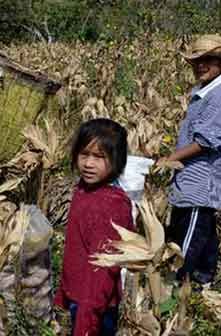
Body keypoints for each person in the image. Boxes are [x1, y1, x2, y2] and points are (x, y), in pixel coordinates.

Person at [157, 34, 221, 285]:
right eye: (197, 60)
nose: (200, 65)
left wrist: (168, 159)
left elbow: (205, 141)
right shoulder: (205, 93)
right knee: (203, 231)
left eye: (208, 60)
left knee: (188, 233)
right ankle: (204, 279)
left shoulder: (218, 98)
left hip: (201, 183)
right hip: (193, 179)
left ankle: (175, 283)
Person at [54, 118, 134, 336]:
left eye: (99, 157)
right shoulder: (84, 189)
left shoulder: (110, 206)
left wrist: (86, 322)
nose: (88, 164)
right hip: (80, 298)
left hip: (94, 307)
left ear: (117, 161)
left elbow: (102, 271)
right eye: (84, 154)